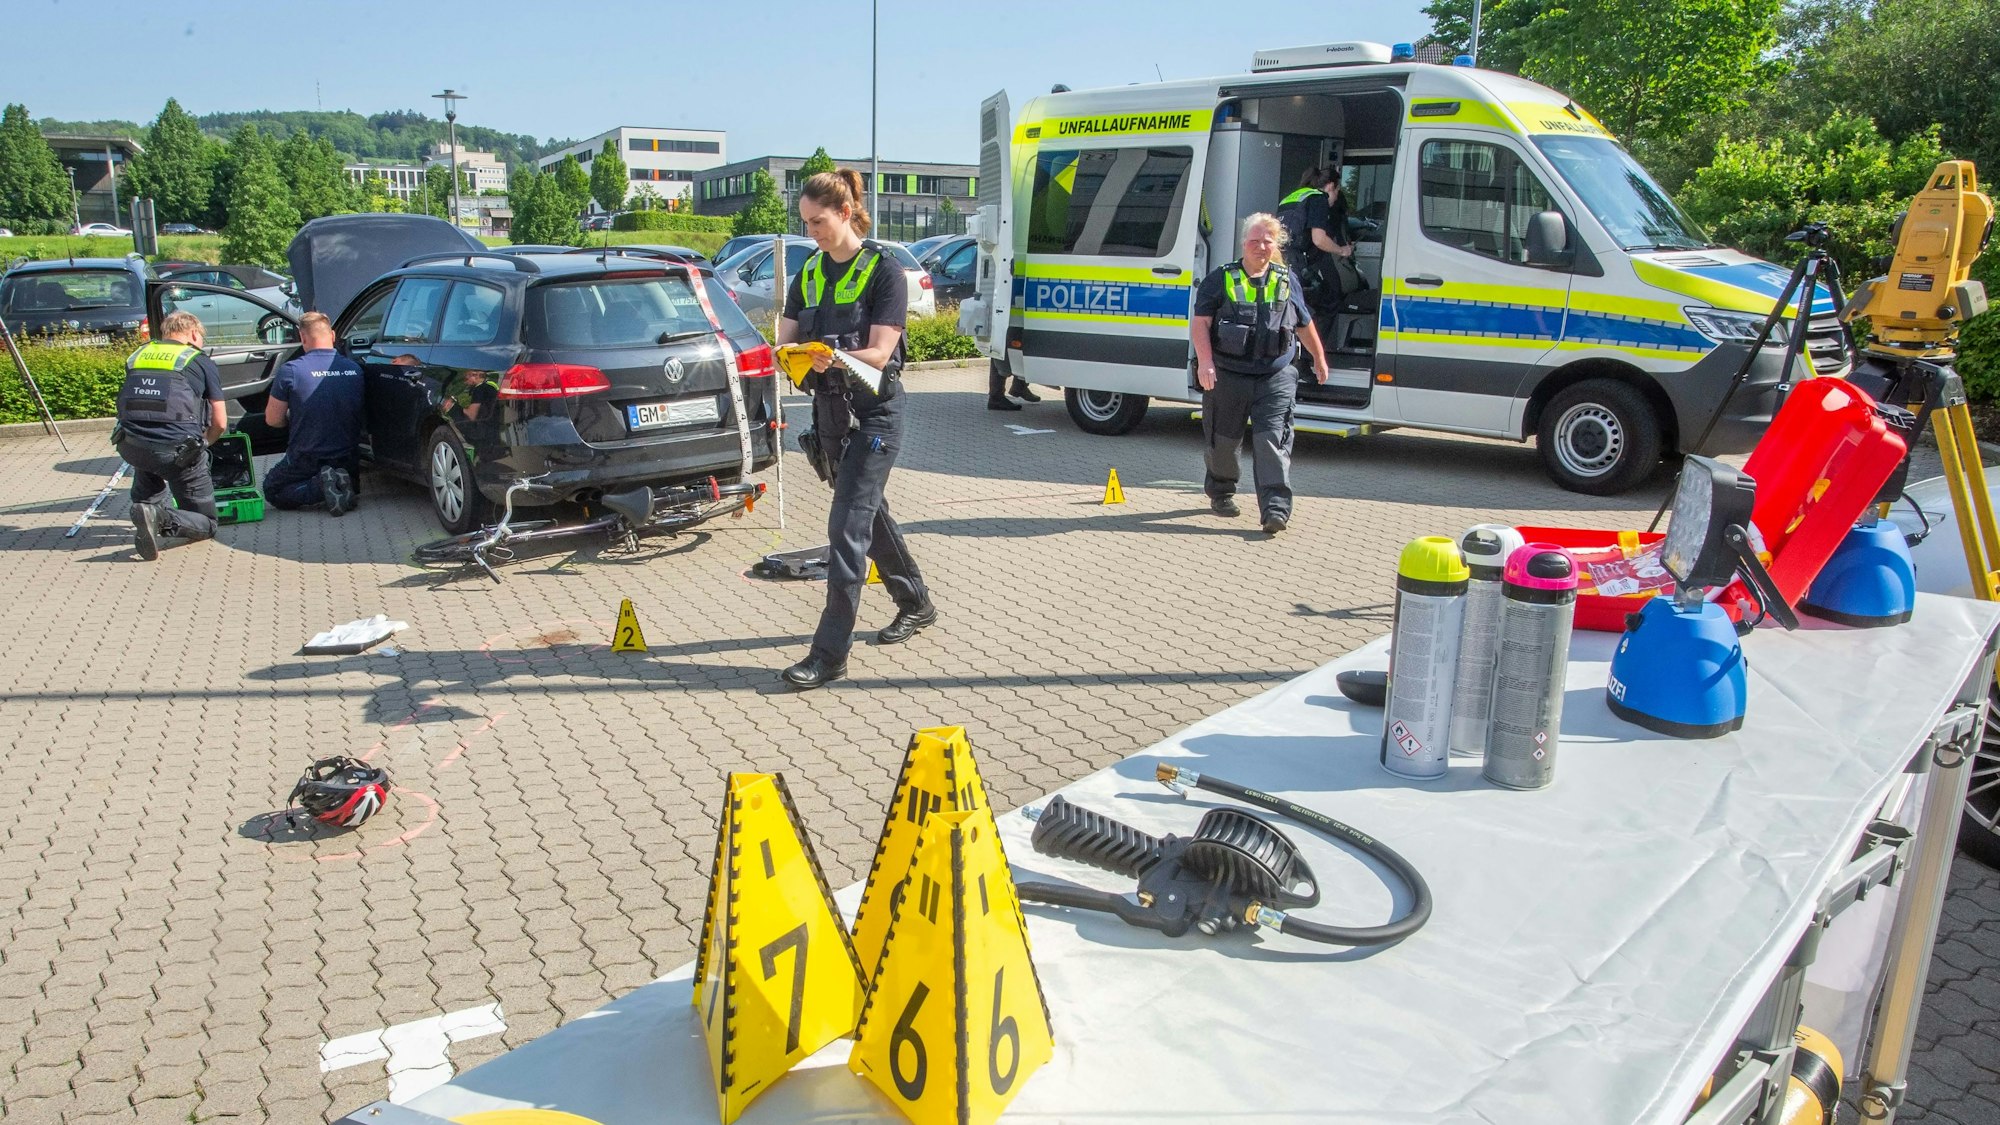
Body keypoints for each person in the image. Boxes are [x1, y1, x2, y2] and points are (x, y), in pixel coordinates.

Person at [776, 168, 937, 690]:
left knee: (846, 529)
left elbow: (881, 353)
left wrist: (833, 358)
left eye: (818, 222)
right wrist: (792, 355)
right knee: (870, 515)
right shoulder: (811, 271)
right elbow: (786, 337)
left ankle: (829, 654)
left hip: (875, 417)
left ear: (845, 213)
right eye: (804, 223)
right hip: (830, 418)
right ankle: (916, 602)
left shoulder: (884, 271)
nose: (812, 233)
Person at [1191, 213, 1330, 535]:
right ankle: (1222, 492)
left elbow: (1303, 323)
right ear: (1243, 243)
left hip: (1275, 375)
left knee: (1273, 441)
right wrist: (1206, 362)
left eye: (1267, 241)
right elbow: (1201, 323)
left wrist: (1319, 359)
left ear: (1275, 245)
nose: (1261, 247)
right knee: (1223, 443)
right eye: (1254, 241)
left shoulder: (1286, 279)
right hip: (1228, 375)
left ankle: (1275, 510)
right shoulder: (1220, 278)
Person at [115, 309, 227, 560]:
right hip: (177, 451)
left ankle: (145, 507)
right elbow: (220, 421)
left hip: (131, 445)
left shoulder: (138, 355)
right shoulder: (199, 360)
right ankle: (160, 517)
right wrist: (203, 445)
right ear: (194, 333)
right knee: (206, 523)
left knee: (149, 453)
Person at [261, 312, 365, 515]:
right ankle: (343, 484)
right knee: (342, 471)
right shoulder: (355, 370)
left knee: (272, 490)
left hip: (307, 457)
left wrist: (291, 421)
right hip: (348, 456)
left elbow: (272, 420)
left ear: (303, 337)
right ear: (333, 336)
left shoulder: (291, 370)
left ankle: (319, 487)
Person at [1275, 166, 1354, 362]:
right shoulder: (1319, 198)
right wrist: (1342, 250)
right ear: (1329, 186)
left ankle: (1291, 358)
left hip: (1279, 262)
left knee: (1291, 310)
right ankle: (1311, 360)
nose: (1335, 196)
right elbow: (1318, 239)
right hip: (1297, 263)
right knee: (1328, 303)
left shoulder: (1292, 197)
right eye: (1337, 191)